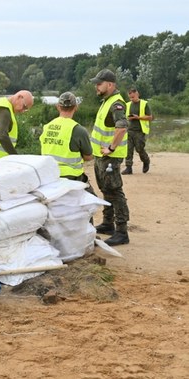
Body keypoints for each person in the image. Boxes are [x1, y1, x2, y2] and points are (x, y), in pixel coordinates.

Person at [89, 68, 130, 246]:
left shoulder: (116, 103)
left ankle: (122, 231)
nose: (96, 87)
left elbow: (122, 127)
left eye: (99, 84)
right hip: (101, 156)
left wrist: (111, 148)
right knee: (106, 189)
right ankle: (108, 224)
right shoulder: (106, 101)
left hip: (110, 157)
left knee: (115, 191)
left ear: (110, 84)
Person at [40, 92, 95, 193]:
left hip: (49, 175)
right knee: (92, 199)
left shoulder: (46, 127)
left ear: (58, 107)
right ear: (76, 107)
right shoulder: (79, 130)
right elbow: (88, 157)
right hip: (72, 178)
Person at [0, 90, 33, 162]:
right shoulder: (5, 111)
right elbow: (2, 136)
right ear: (19, 97)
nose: (23, 111)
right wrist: (15, 157)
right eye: (24, 107)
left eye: (26, 110)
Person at [122, 87, 153, 175]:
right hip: (129, 130)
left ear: (137, 94)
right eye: (130, 97)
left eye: (133, 97)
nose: (132, 99)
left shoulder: (144, 104)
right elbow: (124, 116)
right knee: (128, 149)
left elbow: (150, 117)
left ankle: (146, 161)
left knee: (140, 149)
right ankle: (128, 168)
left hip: (140, 131)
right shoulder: (127, 104)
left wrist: (138, 117)